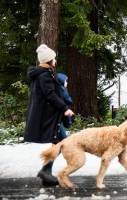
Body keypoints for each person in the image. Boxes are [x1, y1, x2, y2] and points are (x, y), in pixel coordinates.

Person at [24, 44, 74, 186]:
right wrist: (65, 108)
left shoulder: (45, 74)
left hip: (52, 116)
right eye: (54, 59)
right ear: (49, 61)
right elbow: (50, 95)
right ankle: (47, 171)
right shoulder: (44, 75)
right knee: (61, 143)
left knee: (60, 143)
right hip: (49, 117)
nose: (55, 61)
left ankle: (46, 171)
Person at [56, 73, 73, 141]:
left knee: (57, 139)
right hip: (60, 116)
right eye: (66, 81)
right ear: (61, 81)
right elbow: (68, 100)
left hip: (58, 117)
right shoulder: (62, 89)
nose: (67, 83)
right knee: (64, 139)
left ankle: (55, 150)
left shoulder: (56, 89)